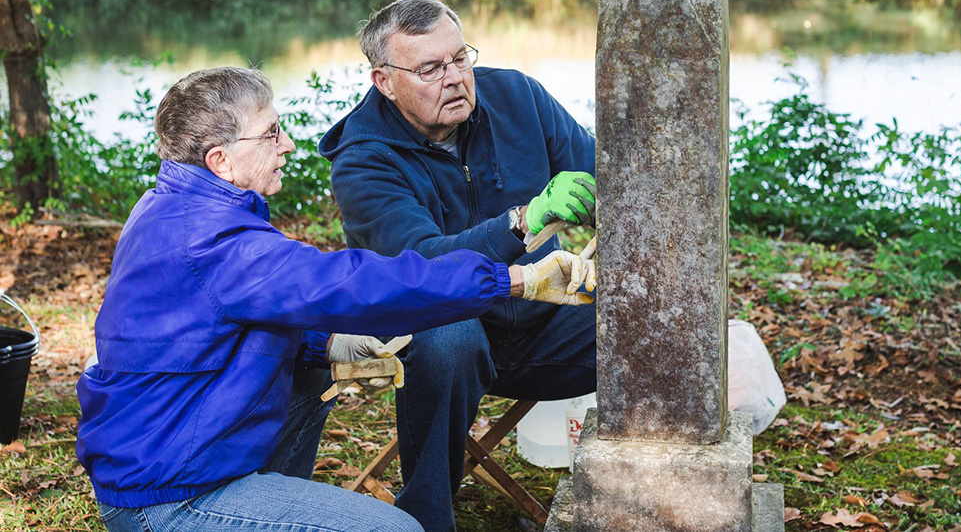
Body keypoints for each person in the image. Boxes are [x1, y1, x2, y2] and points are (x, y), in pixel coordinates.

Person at [75, 66, 596, 532]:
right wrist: (515, 282)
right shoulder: (214, 243)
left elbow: (216, 325)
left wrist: (324, 346)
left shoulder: (173, 205)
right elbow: (359, 284)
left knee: (312, 376)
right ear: (222, 161)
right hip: (173, 496)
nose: (288, 146)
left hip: (178, 459)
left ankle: (271, 497)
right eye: (272, 133)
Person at [318, 0, 598, 532]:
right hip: (440, 339)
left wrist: (599, 196)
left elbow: (604, 175)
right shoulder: (362, 161)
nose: (454, 78)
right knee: (448, 335)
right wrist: (523, 222)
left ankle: (639, 486)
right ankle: (425, 517)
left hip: (545, 318)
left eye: (460, 58)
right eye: (429, 69)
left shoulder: (517, 96)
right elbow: (423, 266)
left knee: (652, 322)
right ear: (384, 81)